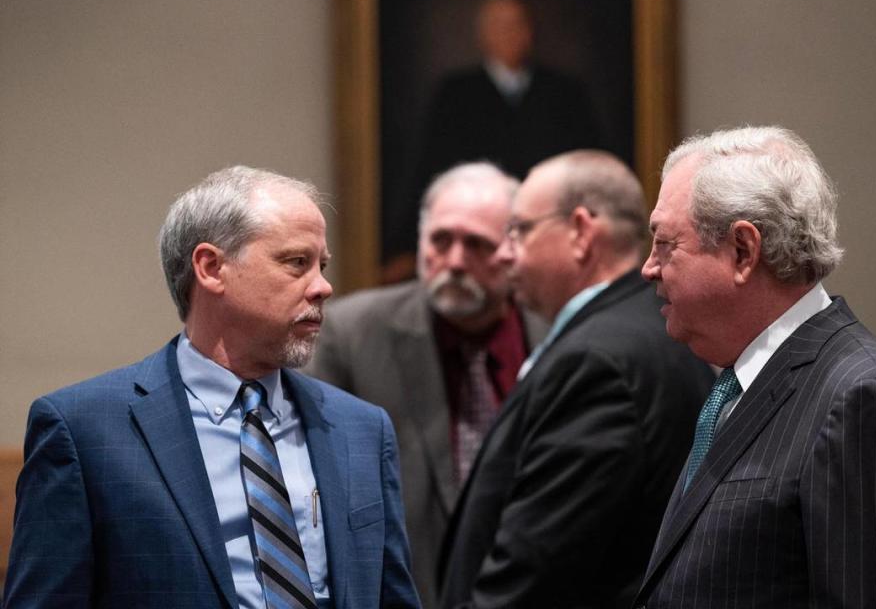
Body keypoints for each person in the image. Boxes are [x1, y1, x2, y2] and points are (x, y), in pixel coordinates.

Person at [3, 167, 420, 609]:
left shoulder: (361, 429)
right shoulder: (85, 432)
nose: (323, 286)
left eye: (322, 266)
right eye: (297, 262)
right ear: (211, 268)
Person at [632, 126, 876, 608]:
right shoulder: (739, 380)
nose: (648, 268)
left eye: (665, 244)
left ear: (742, 251)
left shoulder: (863, 399)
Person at [437, 150, 714, 608]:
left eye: (520, 231)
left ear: (582, 232)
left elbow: (537, 571)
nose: (505, 253)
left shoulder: (598, 360)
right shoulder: (646, 327)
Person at [308, 162, 548, 609]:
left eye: (476, 244)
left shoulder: (555, 334)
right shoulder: (352, 333)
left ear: (513, 248)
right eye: (441, 240)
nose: (455, 261)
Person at [383, 0, 606, 280]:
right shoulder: (456, 94)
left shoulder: (564, 94)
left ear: (530, 31)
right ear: (483, 35)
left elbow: (590, 170)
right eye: (499, 26)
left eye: (516, 25)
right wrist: (404, 246)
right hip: (476, 234)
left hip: (551, 234)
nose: (509, 34)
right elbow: (428, 169)